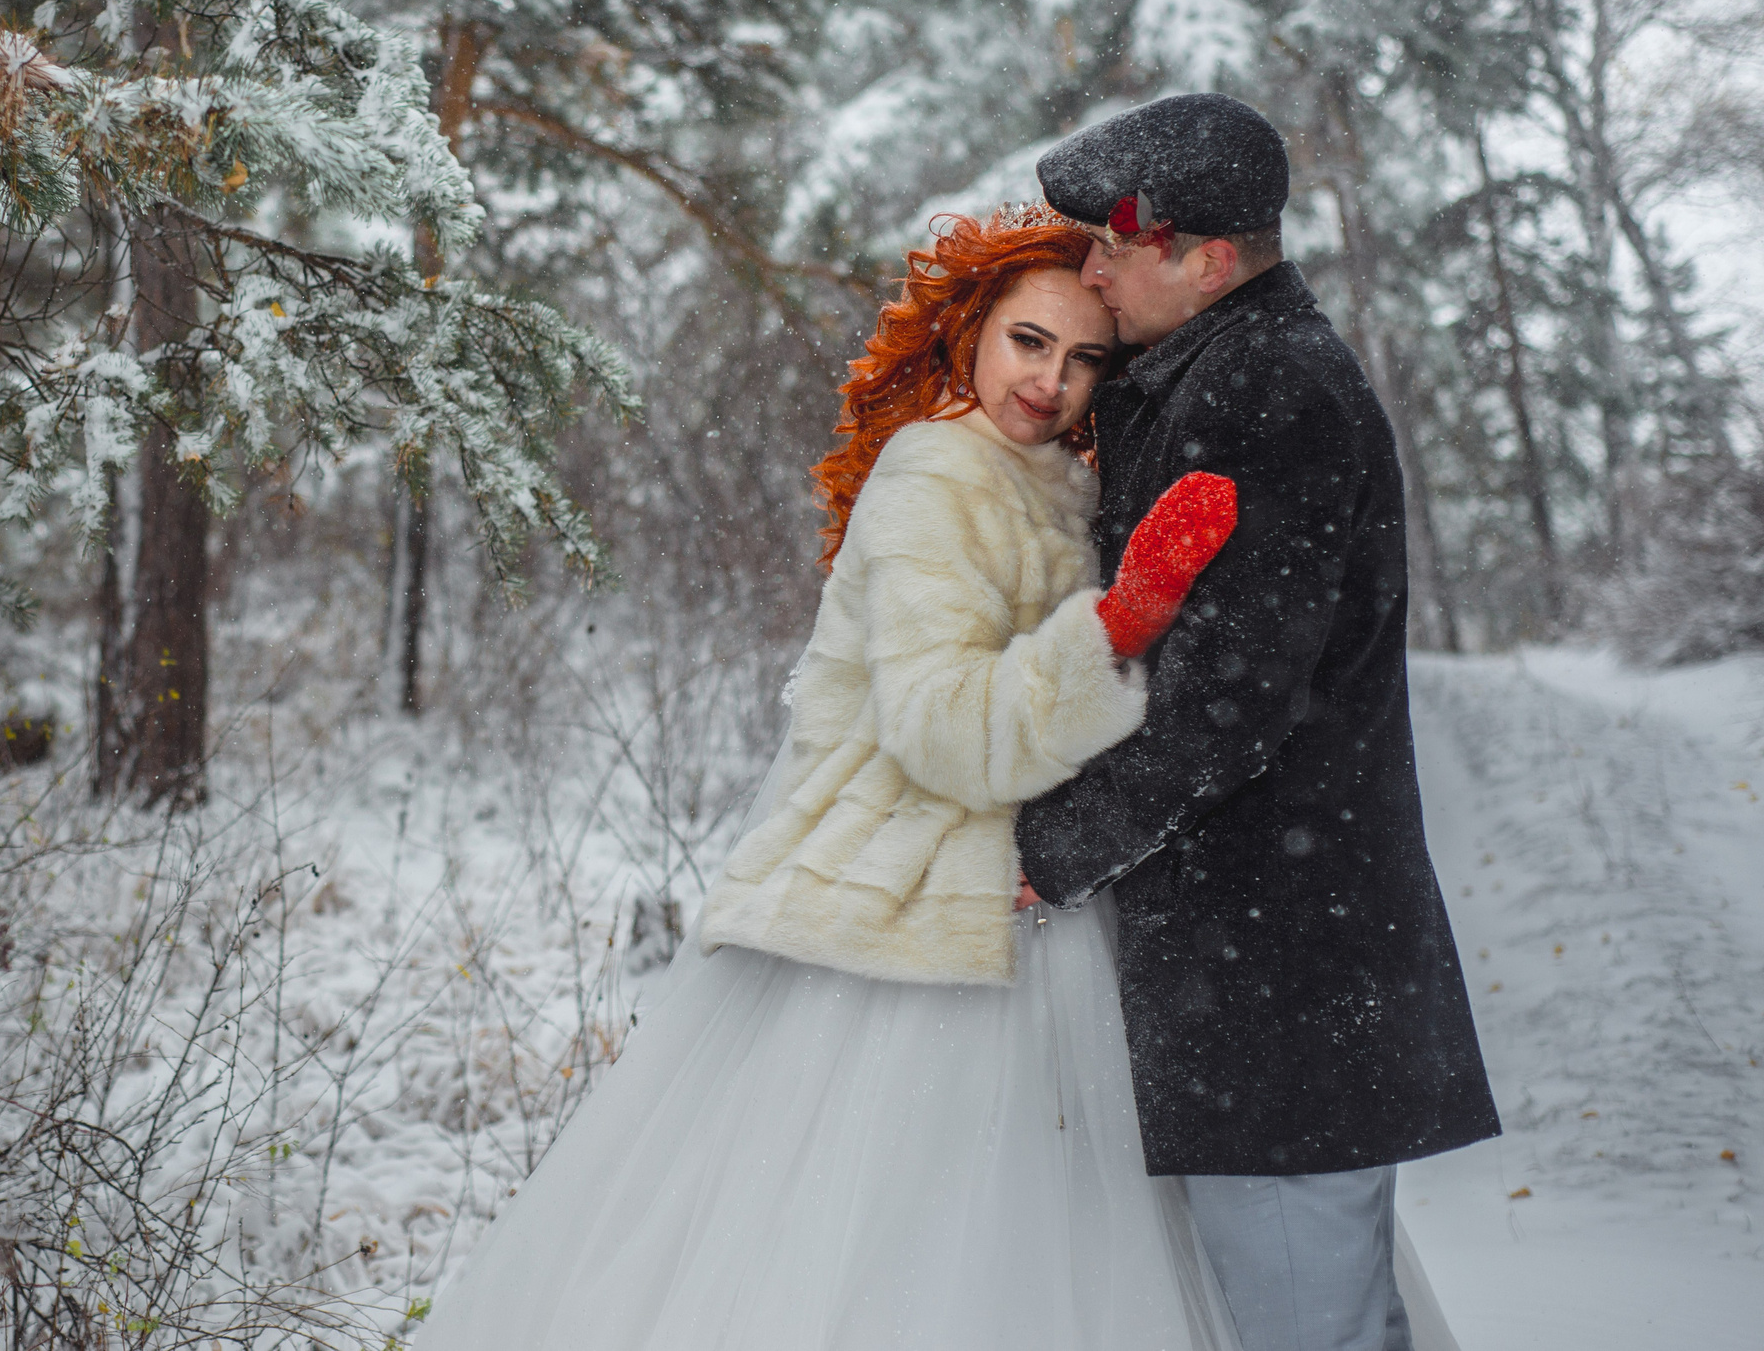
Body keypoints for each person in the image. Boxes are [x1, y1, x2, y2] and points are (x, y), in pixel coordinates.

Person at [411, 208, 1249, 1351]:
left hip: (1014, 897)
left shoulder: (1048, 478)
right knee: (884, 1243)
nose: (1052, 382)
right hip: (911, 911)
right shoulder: (937, 474)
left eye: (1085, 357)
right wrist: (1112, 627)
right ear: (969, 333)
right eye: (1028, 342)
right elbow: (941, 727)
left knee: (1007, 1251)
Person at [1019, 92, 1501, 1351]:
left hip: (1279, 964)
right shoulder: (1210, 371)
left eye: (1114, 246)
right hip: (1270, 956)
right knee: (1328, 1311)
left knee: (1304, 1317)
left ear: (1208, 258)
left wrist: (1051, 847)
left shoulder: (1268, 388)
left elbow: (1226, 701)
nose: (1091, 270)